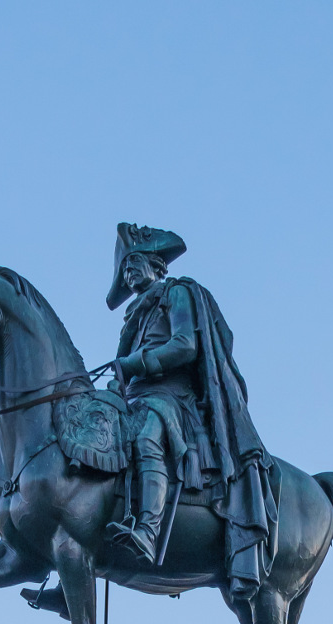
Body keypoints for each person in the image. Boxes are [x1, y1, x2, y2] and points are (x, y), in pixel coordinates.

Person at [104, 222, 275, 596]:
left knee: (148, 431)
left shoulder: (176, 293)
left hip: (171, 397)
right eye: (125, 267)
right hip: (136, 396)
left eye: (135, 262)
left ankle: (148, 531)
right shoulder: (135, 315)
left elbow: (185, 346)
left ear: (156, 264)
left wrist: (136, 365)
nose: (129, 271)